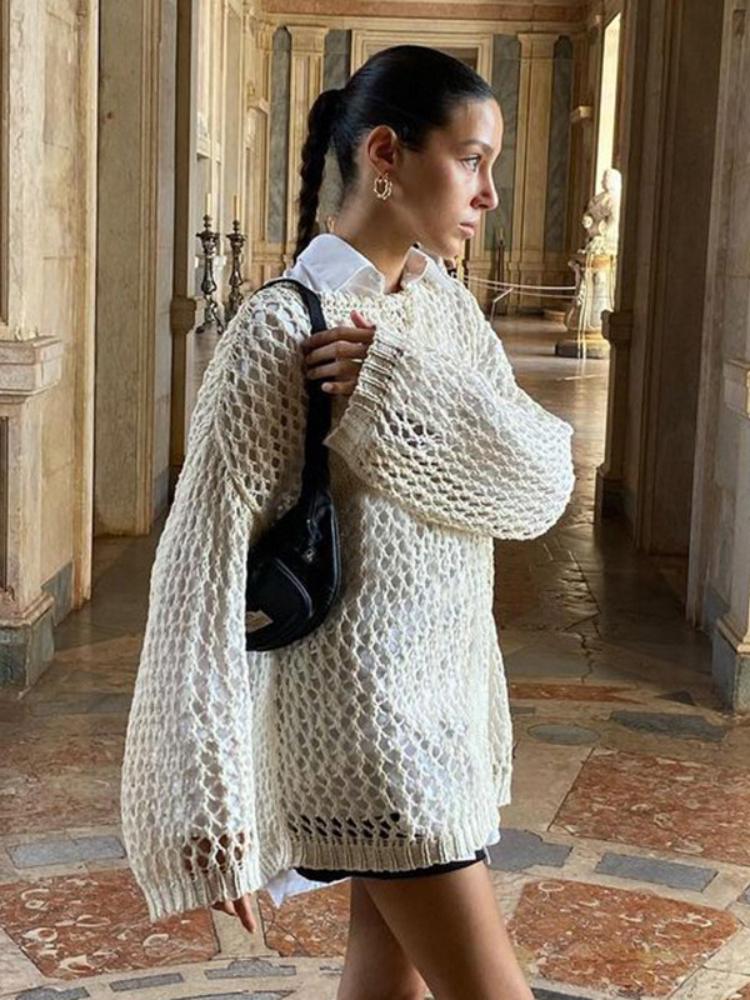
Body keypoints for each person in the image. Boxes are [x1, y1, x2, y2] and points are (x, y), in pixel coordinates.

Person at [121, 45, 575, 1000]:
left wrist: (400, 389)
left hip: (447, 718)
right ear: (386, 155)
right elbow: (199, 573)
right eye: (472, 159)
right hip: (372, 736)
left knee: (384, 988)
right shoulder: (280, 329)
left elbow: (540, 484)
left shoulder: (445, 313)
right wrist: (208, 808)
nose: (490, 193)